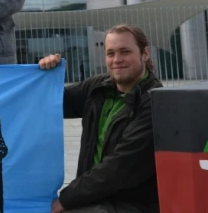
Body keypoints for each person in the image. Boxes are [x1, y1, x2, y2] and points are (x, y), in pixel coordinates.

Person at [38, 24, 163, 213]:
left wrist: (66, 199)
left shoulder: (154, 101)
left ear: (145, 53)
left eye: (125, 52)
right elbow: (50, 103)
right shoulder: (97, 87)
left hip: (130, 204)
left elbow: (120, 167)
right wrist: (44, 75)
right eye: (110, 53)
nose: (117, 60)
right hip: (92, 198)